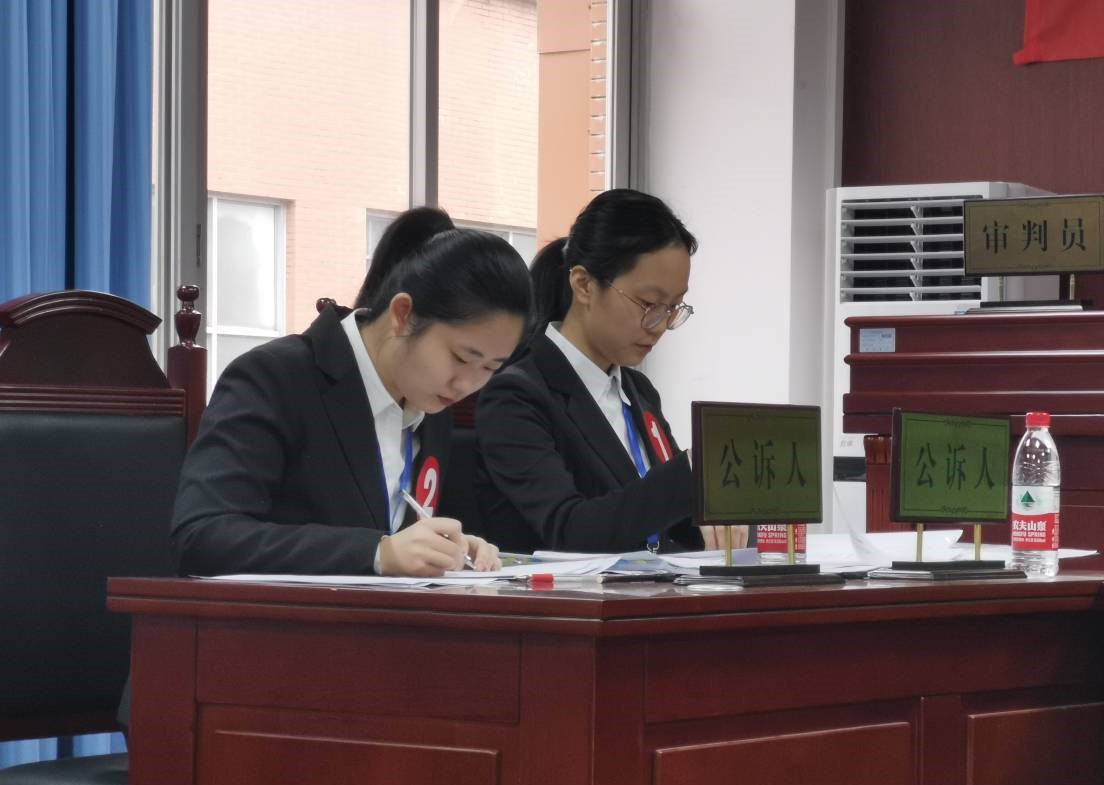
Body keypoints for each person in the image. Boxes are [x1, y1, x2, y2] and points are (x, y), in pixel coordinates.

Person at [172, 208, 532, 576]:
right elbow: (203, 536)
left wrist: (447, 548)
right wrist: (377, 553)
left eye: (490, 367)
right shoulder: (274, 378)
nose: (466, 384)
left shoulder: (431, 403)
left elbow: (396, 533)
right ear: (403, 314)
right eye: (461, 357)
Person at [475, 188, 748, 554]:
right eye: (649, 304)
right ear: (584, 285)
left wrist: (714, 514)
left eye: (674, 307)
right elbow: (568, 530)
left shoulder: (638, 390)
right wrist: (690, 473)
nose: (660, 325)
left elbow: (662, 520)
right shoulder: (516, 396)